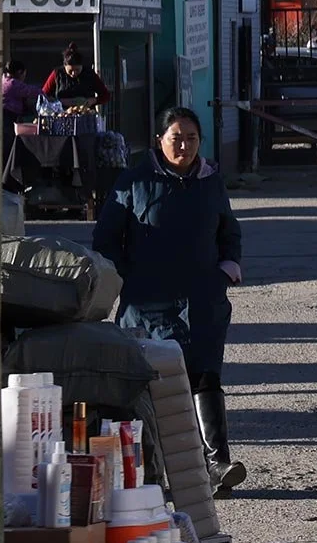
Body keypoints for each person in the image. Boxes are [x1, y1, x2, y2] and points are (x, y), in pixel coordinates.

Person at [94, 107, 249, 491]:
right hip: (149, 302)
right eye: (176, 138)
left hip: (202, 300)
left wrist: (228, 267)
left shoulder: (211, 181)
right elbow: (105, 241)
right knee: (149, 385)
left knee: (205, 376)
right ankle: (152, 472)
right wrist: (126, 276)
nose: (184, 146)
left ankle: (217, 466)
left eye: (192, 139)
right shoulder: (133, 182)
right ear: (159, 141)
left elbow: (229, 231)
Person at [41, 43, 110, 109]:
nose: (74, 73)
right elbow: (44, 95)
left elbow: (105, 95)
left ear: (81, 66)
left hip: (85, 115)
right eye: (70, 70)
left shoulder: (90, 74)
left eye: (77, 70)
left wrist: (93, 100)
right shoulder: (57, 74)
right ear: (65, 66)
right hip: (62, 115)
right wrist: (55, 102)